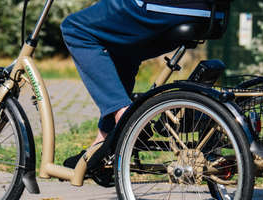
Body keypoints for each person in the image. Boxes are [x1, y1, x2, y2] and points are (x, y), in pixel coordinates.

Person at [61, 0, 223, 167]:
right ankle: (105, 142)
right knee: (121, 44)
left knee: (75, 29)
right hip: (212, 11)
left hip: (165, 6)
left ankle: (125, 117)